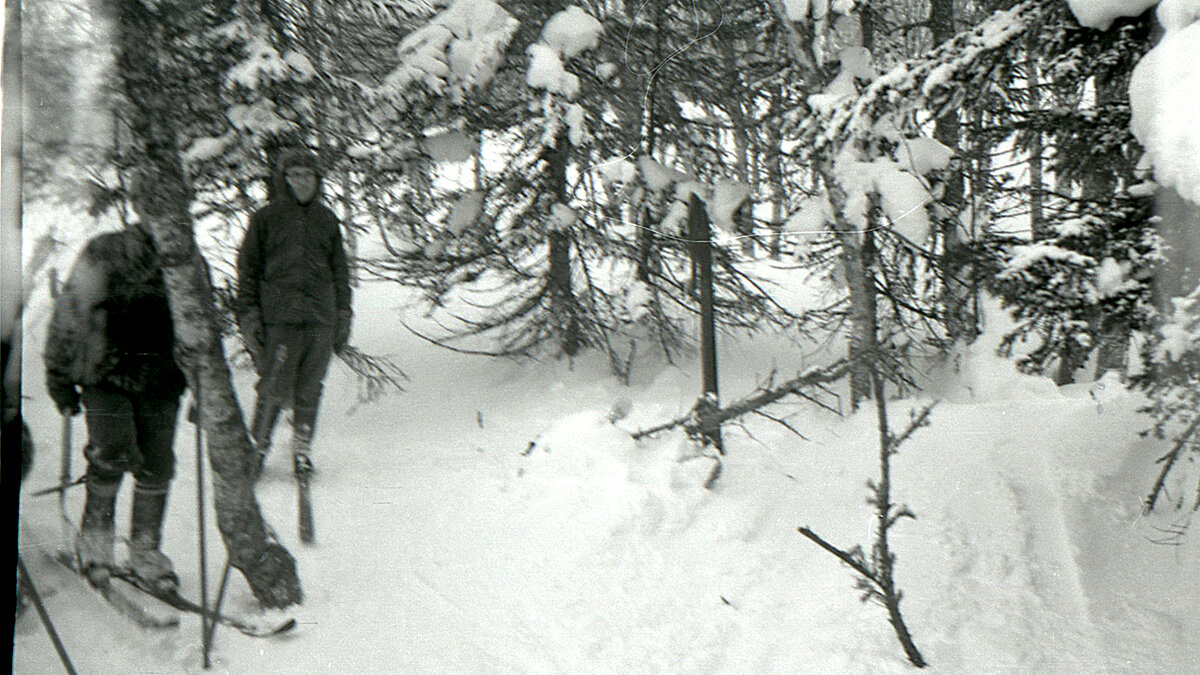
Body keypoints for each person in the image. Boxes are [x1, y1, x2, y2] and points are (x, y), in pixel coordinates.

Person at [43, 221, 187, 591]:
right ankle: (95, 545)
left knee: (158, 464)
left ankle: (145, 552)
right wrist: (59, 376)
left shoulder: (183, 252)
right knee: (112, 452)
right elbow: (69, 313)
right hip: (105, 373)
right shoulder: (104, 251)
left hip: (161, 378)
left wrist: (207, 382)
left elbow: (199, 322)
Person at [237, 148, 351, 479]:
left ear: (318, 180)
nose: (302, 182)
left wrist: (343, 313)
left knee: (310, 388)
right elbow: (248, 269)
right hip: (280, 318)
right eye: (295, 175)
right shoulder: (266, 218)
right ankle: (257, 448)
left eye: (308, 175)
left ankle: (302, 451)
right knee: (273, 384)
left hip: (320, 318)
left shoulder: (326, 219)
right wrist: (249, 315)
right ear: (283, 180)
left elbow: (340, 271)